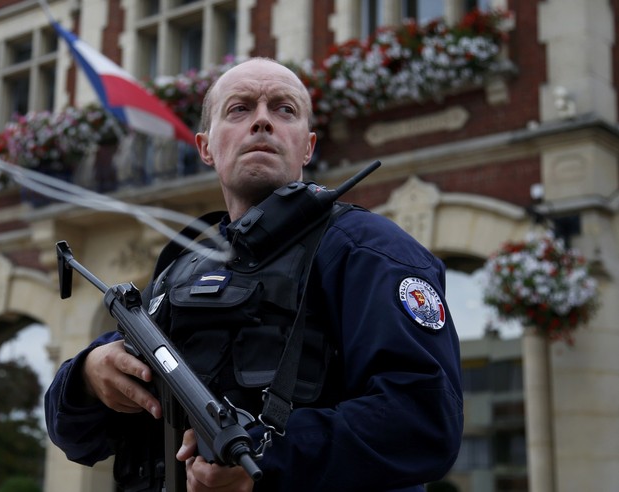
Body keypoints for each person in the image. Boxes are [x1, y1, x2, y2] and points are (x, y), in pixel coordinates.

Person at [45, 57, 463, 491]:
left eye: (284, 109)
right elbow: (75, 437)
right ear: (206, 147)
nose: (262, 121)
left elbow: (424, 419)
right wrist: (89, 377)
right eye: (239, 109)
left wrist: (266, 459)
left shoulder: (368, 251)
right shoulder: (179, 269)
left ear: (308, 146)